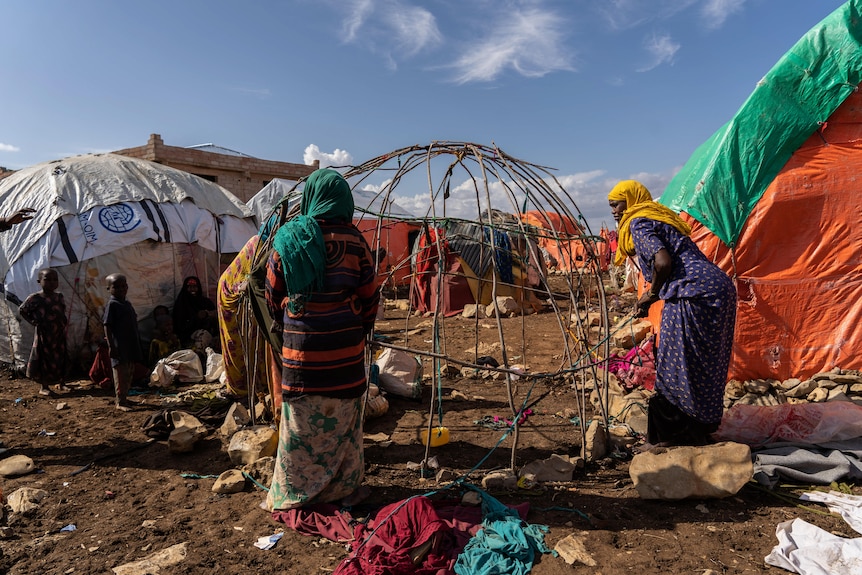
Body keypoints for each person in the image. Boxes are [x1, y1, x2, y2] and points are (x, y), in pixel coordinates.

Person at [264, 168, 380, 511]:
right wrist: (357, 324)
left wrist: (293, 309)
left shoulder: (287, 239)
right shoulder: (356, 241)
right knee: (344, 426)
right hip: (344, 353)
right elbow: (370, 297)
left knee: (300, 429)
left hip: (301, 354)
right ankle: (342, 490)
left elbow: (273, 295)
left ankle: (296, 492)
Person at [608, 180, 736, 449]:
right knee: (703, 364)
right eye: (610, 206)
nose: (614, 211)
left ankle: (669, 436)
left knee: (675, 363)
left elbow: (663, 261)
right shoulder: (660, 217)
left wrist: (652, 293)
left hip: (692, 293)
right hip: (717, 288)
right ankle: (698, 430)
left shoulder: (639, 222)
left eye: (617, 204)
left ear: (630, 200)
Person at [19, 268, 68, 396]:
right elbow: (22, 310)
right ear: (39, 281)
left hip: (58, 333)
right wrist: (33, 322)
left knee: (61, 357)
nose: (52, 282)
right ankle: (44, 386)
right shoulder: (35, 298)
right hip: (44, 334)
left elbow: (62, 310)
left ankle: (61, 382)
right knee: (44, 359)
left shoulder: (59, 296)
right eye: (47, 279)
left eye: (55, 280)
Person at [102, 273, 143, 412]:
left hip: (129, 345)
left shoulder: (126, 304)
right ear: (109, 289)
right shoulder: (112, 305)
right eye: (116, 287)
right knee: (120, 373)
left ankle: (125, 397)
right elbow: (107, 325)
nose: (120, 289)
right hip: (119, 346)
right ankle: (120, 401)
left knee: (129, 372)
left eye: (123, 286)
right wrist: (111, 346)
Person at [172, 276, 217, 347]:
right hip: (189, 336)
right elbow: (180, 326)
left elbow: (215, 314)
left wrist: (208, 314)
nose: (192, 289)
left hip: (209, 332)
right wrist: (196, 318)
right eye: (190, 287)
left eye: (195, 287)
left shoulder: (205, 302)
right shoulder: (181, 304)